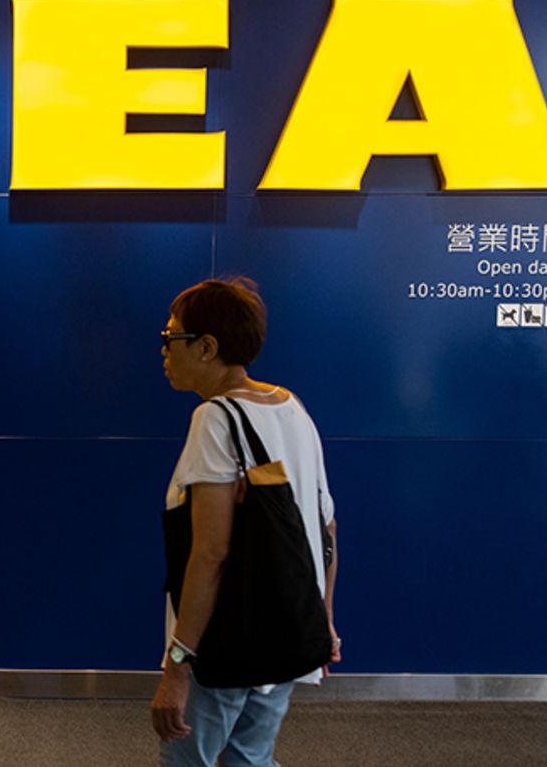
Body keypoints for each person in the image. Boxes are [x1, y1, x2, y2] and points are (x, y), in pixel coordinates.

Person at [151, 277, 340, 767]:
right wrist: (323, 621)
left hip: (226, 639)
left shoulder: (215, 420)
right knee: (249, 760)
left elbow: (210, 552)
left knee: (187, 760)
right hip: (285, 633)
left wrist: (177, 664)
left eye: (171, 338)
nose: (164, 351)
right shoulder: (290, 406)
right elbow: (324, 529)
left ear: (207, 347)